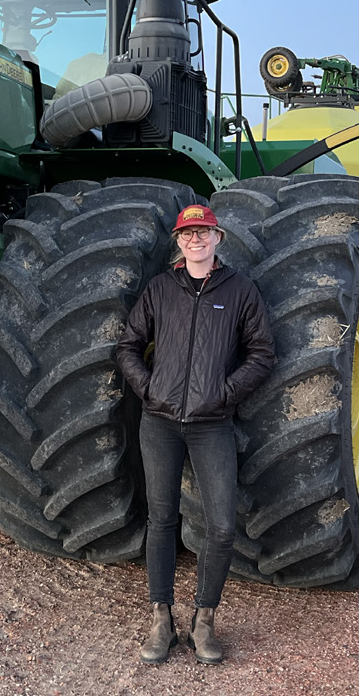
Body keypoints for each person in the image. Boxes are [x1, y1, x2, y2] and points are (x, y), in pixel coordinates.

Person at [115, 204, 274, 665]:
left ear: (218, 238)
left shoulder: (241, 290)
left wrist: (224, 393)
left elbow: (263, 353)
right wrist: (148, 388)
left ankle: (203, 622)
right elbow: (128, 345)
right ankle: (161, 619)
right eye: (188, 234)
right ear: (179, 241)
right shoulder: (161, 289)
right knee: (161, 520)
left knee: (222, 525)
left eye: (204, 232)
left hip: (212, 425)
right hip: (159, 423)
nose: (196, 240)